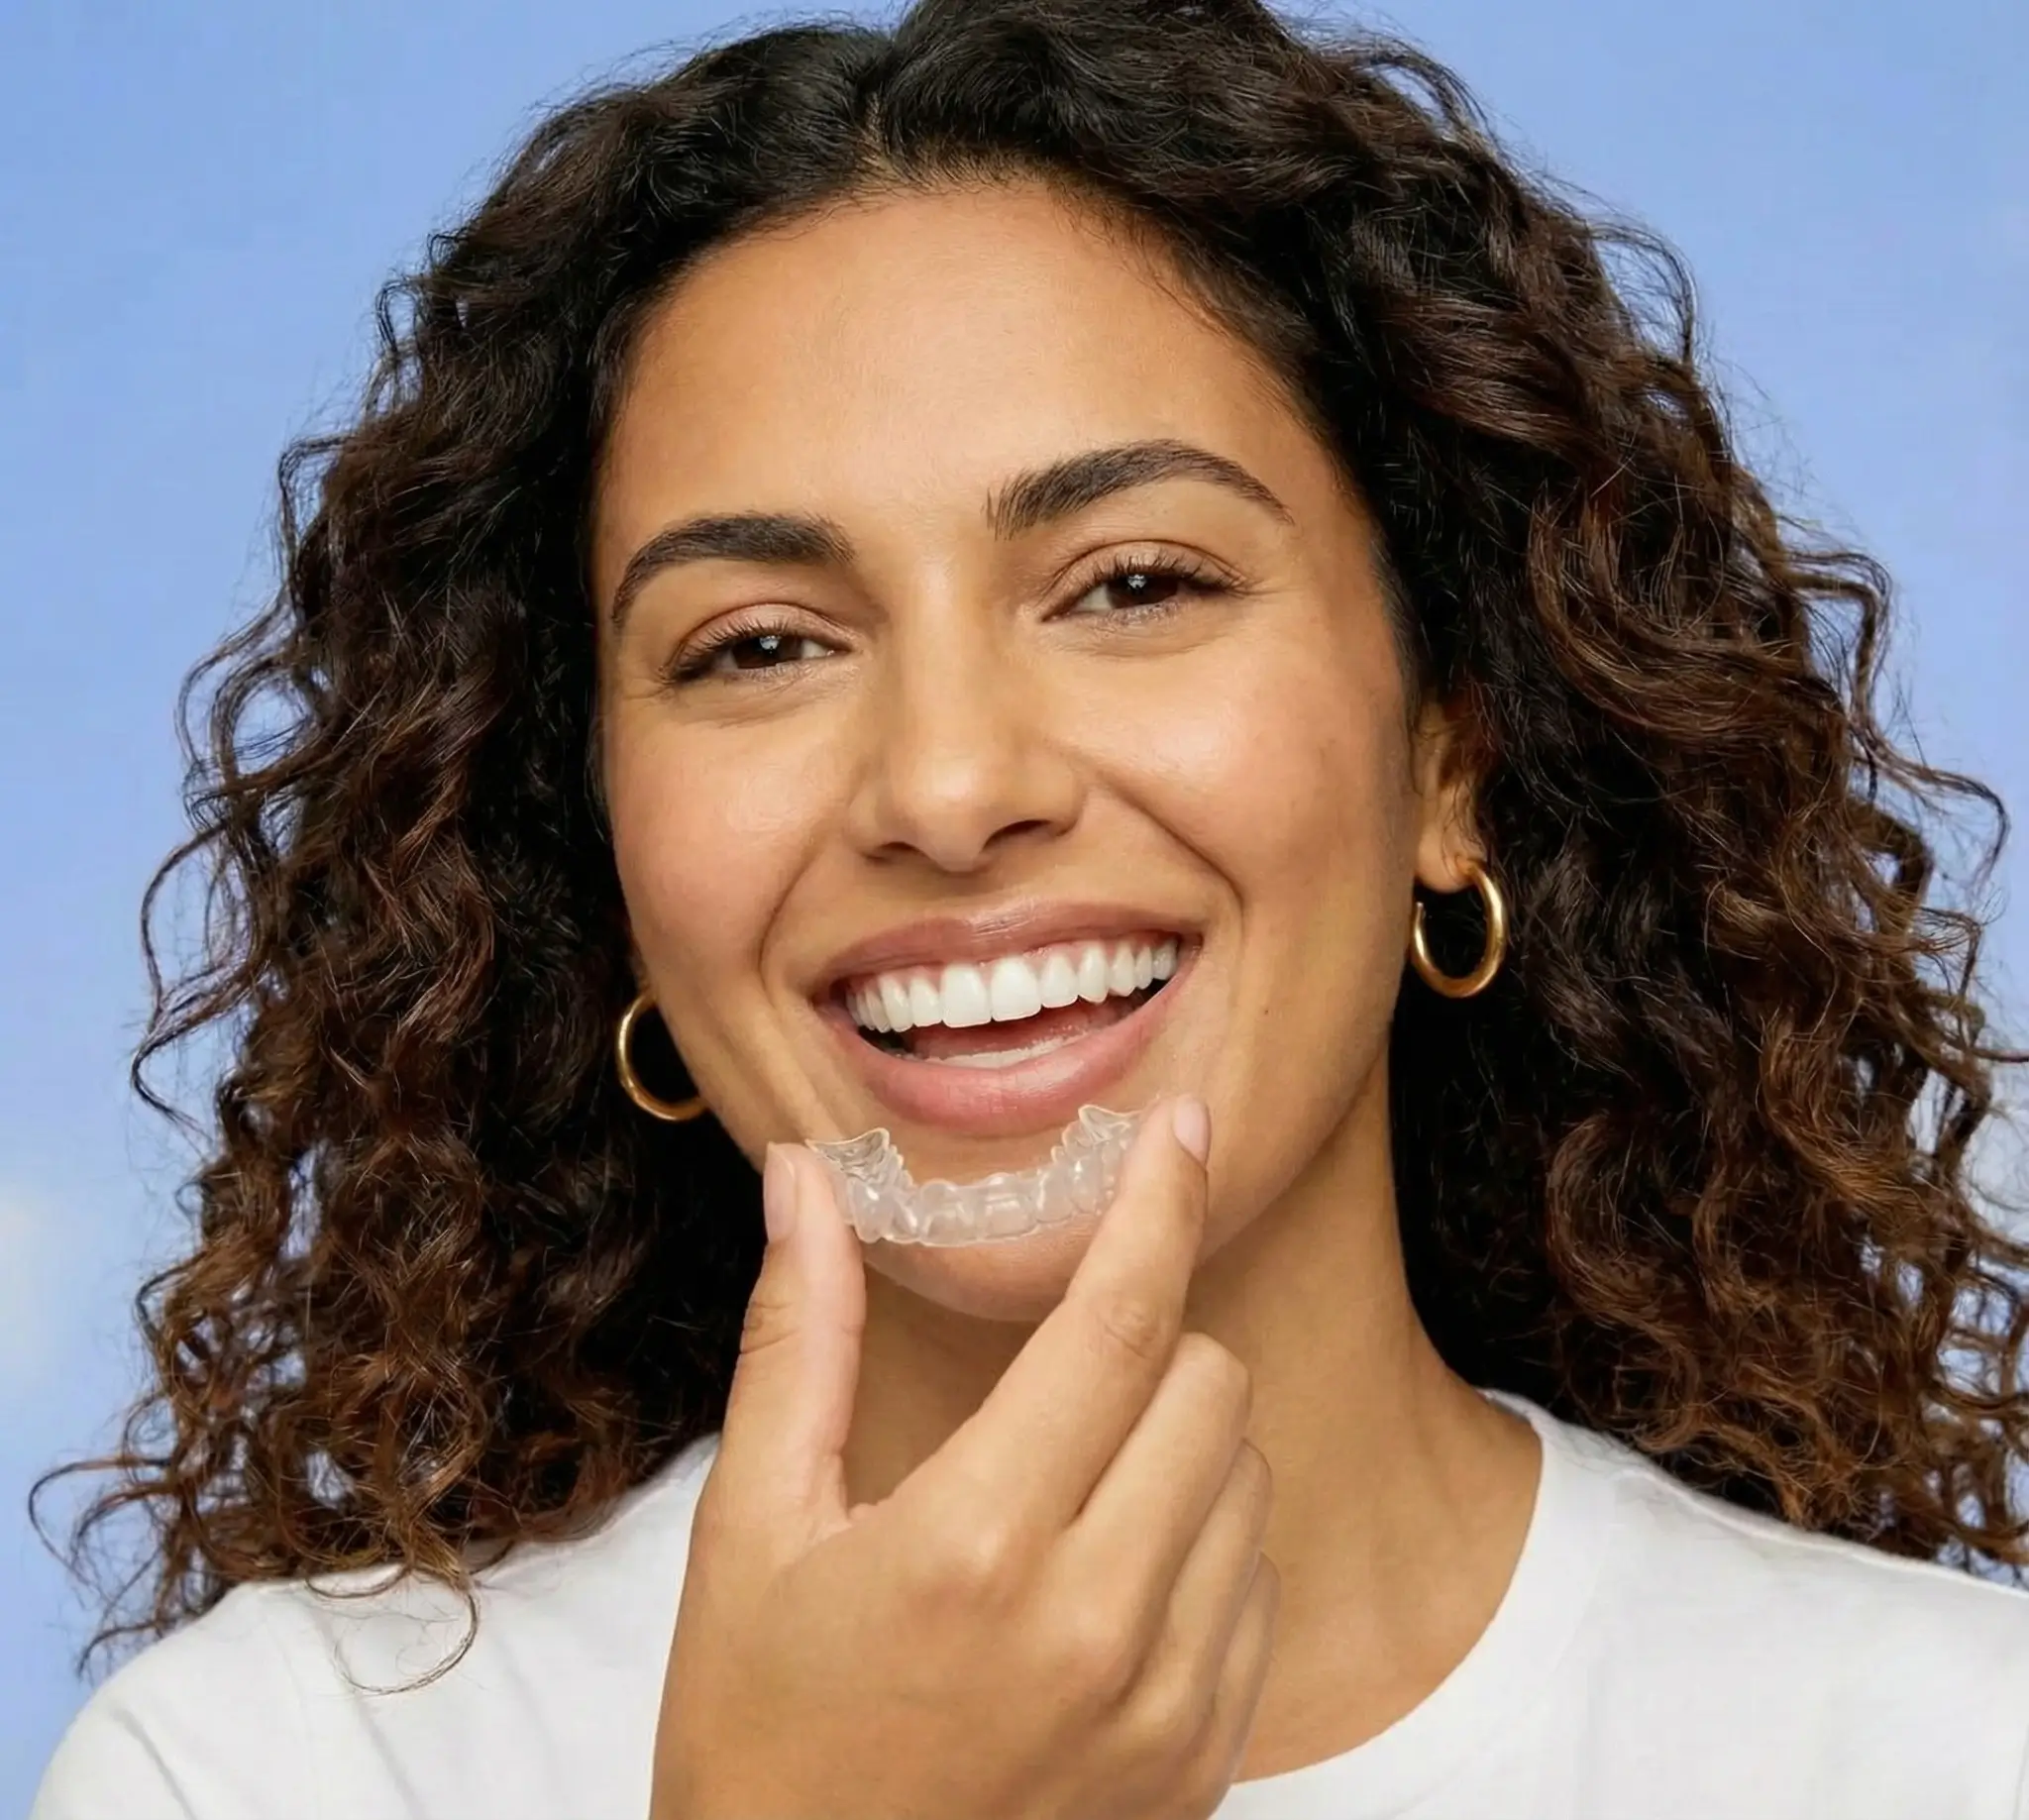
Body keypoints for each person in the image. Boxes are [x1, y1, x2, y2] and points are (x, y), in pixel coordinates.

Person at [30, 1, 2029, 1815]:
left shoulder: (1952, 1753)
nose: (949, 787)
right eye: (757, 645)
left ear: (1452, 757)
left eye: (1135, 586)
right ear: (607, 864)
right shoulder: (279, 1770)